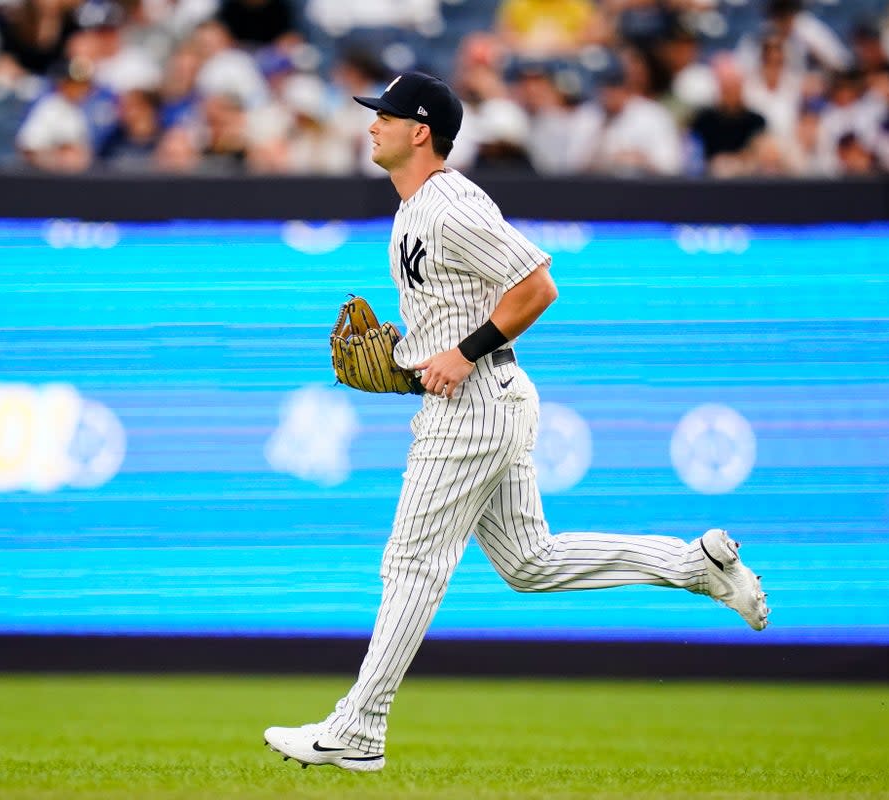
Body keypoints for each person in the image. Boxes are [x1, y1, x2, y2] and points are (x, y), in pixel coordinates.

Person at [262, 70, 770, 773]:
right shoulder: (414, 207)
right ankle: (695, 563)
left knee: (412, 565)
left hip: (474, 408)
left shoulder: (450, 203)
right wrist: (419, 363)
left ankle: (360, 727)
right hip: (485, 401)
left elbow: (538, 284)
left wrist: (463, 355)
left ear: (420, 131)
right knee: (530, 562)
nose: (372, 124)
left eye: (385, 115)